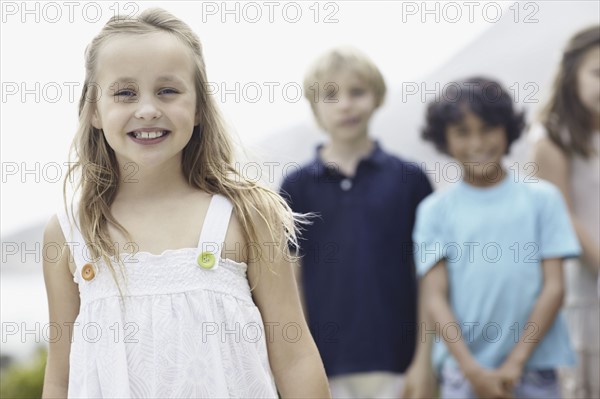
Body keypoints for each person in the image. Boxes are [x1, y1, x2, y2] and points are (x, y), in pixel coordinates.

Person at [41, 8, 330, 398]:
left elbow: (294, 357)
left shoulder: (245, 215)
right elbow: (61, 376)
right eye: (125, 93)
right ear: (94, 110)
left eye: (167, 91)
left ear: (197, 109)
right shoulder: (69, 234)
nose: (147, 108)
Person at [279, 47, 433, 398]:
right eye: (330, 95)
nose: (345, 104)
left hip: (397, 361)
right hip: (322, 366)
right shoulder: (295, 187)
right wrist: (297, 364)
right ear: (314, 106)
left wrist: (423, 362)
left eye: (357, 92)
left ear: (377, 97)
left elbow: (428, 277)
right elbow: (291, 282)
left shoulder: (410, 179)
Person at [414, 77, 580, 398]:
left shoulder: (542, 199)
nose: (477, 142)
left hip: (534, 371)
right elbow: (435, 298)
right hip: (463, 375)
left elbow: (555, 287)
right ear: (444, 140)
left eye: (488, 128)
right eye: (462, 132)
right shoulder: (434, 211)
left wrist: (515, 363)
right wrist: (472, 370)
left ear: (507, 130)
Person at [530, 25, 600, 399]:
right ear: (572, 74)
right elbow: (563, 214)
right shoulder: (554, 138)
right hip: (584, 292)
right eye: (598, 73)